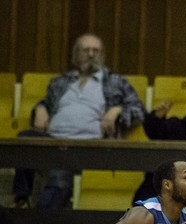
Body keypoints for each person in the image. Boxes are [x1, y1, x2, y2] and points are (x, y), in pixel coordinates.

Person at [12, 33, 145, 208]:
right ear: (76, 54)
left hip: (90, 146)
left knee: (60, 174)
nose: (91, 54)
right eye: (86, 50)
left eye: (95, 51)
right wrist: (40, 108)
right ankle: (21, 198)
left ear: (102, 55)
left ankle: (34, 219)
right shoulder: (60, 82)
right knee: (25, 139)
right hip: (53, 141)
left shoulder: (116, 82)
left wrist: (118, 110)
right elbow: (46, 104)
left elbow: (139, 110)